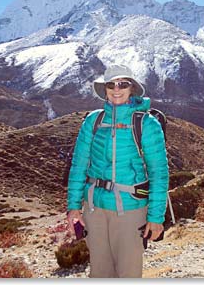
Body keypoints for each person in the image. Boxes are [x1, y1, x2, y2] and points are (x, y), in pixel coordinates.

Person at [67, 64, 169, 278]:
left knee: (128, 272)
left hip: (131, 209)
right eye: (111, 84)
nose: (116, 89)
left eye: (123, 84)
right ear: (104, 89)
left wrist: (156, 217)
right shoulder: (93, 121)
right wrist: (74, 208)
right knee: (99, 271)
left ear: (132, 88)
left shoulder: (146, 124)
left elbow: (159, 173)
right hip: (94, 209)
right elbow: (78, 165)